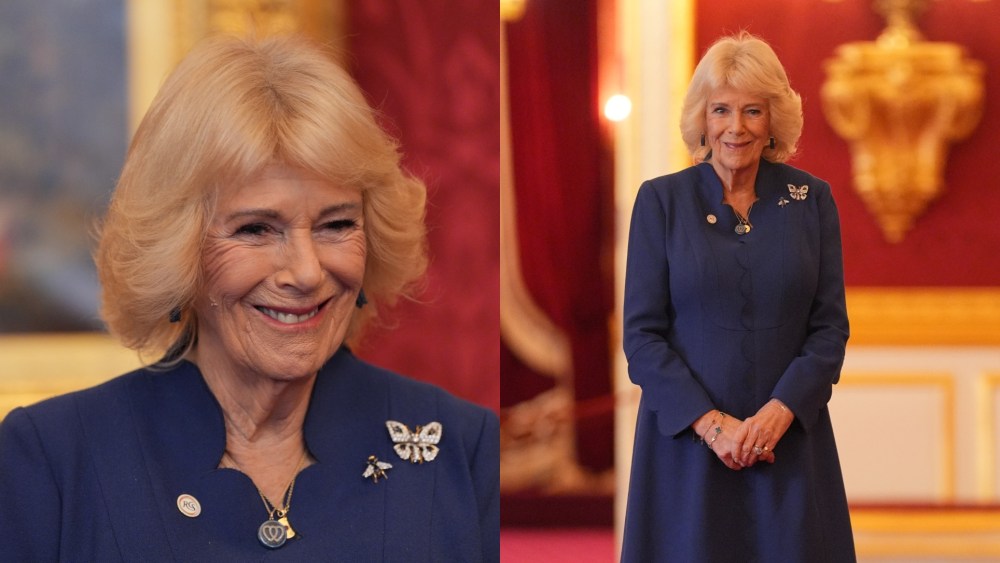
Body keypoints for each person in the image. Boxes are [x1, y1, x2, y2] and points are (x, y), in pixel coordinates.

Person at [0, 35, 498, 561]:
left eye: (337, 224)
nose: (307, 272)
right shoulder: (49, 461)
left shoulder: (462, 450)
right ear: (178, 252)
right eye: (257, 229)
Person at [621, 32, 855, 562]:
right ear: (702, 120)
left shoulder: (812, 200)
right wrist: (713, 425)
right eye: (721, 109)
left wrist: (779, 412)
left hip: (790, 445)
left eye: (753, 110)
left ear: (774, 120)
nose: (736, 126)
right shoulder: (661, 202)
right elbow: (642, 336)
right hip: (686, 451)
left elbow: (829, 329)